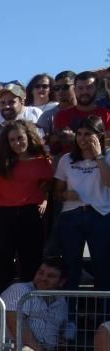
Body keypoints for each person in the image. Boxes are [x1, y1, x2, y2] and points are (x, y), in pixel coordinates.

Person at [0, 120, 52, 293]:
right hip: (4, 215)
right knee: (2, 263)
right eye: (12, 140)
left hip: (30, 215)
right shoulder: (1, 163)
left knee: (31, 262)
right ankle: (1, 310)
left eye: (20, 138)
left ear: (29, 137)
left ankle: (31, 306)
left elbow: (50, 183)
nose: (17, 143)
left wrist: (41, 196)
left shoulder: (41, 162)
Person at [53, 116, 110, 290]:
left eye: (88, 134)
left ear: (99, 136)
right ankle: (68, 315)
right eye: (79, 134)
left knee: (103, 266)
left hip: (101, 215)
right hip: (71, 216)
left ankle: (103, 315)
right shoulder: (66, 159)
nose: (83, 138)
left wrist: (99, 155)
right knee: (71, 266)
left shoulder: (108, 157)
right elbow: (56, 193)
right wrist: (65, 194)